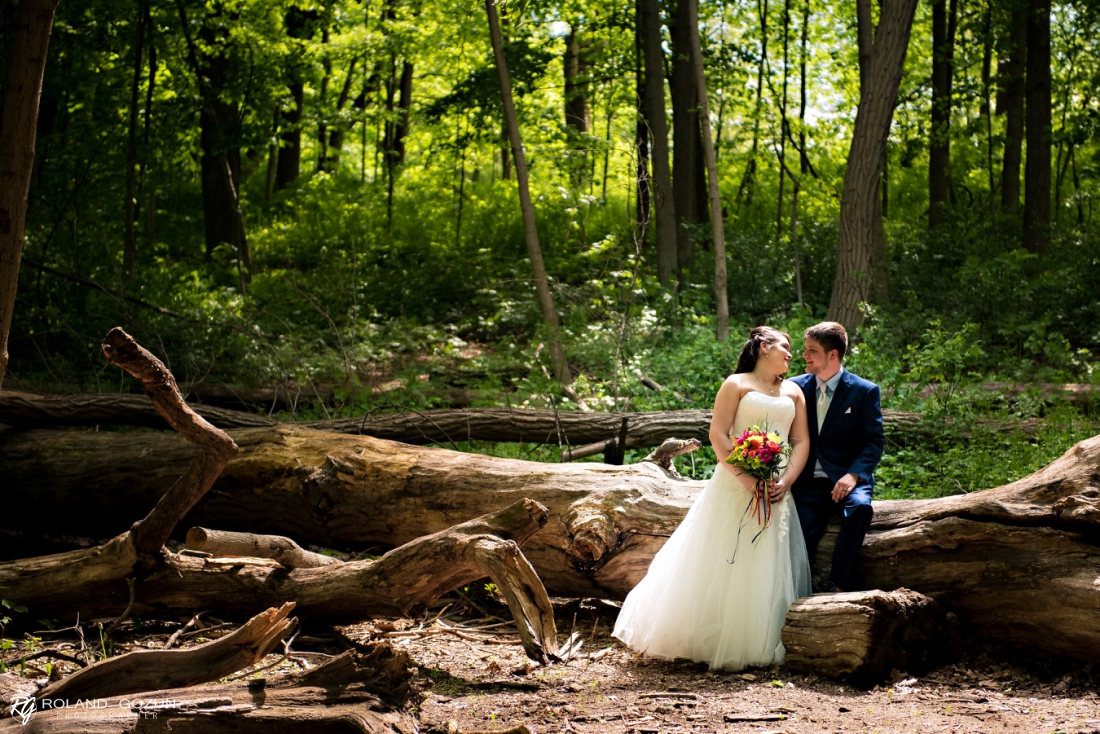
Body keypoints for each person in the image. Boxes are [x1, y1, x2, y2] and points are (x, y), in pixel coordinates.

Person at [612, 326, 813, 670]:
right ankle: (714, 638)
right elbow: (718, 435)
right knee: (725, 556)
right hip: (734, 485)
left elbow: (802, 441)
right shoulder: (735, 384)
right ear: (764, 348)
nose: (791, 353)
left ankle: (761, 638)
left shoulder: (795, 392)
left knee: (767, 559)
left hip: (777, 489)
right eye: (785, 346)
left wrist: (786, 481)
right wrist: (748, 479)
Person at [787, 322, 884, 592]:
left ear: (833, 355)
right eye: (805, 349)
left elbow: (874, 441)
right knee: (800, 534)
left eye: (811, 351)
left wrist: (853, 475)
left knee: (861, 509)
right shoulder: (794, 388)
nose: (804, 355)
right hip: (808, 481)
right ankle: (796, 595)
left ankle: (839, 585)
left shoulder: (864, 391)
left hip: (848, 476)